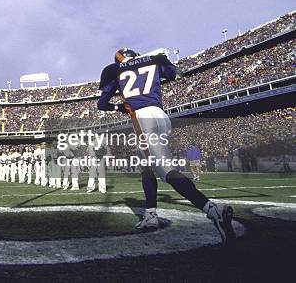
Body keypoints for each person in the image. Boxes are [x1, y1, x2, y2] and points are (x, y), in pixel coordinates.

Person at [98, 48, 236, 244]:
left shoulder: (113, 69)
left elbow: (101, 104)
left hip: (142, 118)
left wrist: (119, 107)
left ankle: (213, 210)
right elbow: (174, 74)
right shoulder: (154, 59)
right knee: (146, 168)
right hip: (160, 115)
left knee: (166, 171)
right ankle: (150, 215)